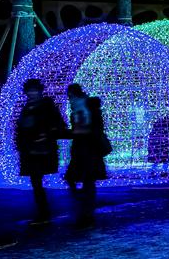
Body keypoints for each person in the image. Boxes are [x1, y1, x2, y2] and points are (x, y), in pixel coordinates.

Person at [15, 79, 67, 225]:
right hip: (29, 150)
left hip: (42, 149)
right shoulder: (27, 106)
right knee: (35, 182)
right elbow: (23, 127)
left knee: (37, 181)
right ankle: (43, 212)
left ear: (39, 91)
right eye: (29, 90)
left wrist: (46, 133)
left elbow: (57, 123)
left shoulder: (46, 105)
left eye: (34, 90)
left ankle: (44, 213)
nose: (31, 93)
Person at [65, 90, 109, 228]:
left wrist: (76, 132)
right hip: (80, 151)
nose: (70, 100)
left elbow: (93, 129)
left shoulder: (88, 109)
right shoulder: (77, 110)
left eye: (71, 97)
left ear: (77, 96)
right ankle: (84, 211)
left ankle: (87, 214)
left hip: (90, 151)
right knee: (76, 180)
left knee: (88, 182)